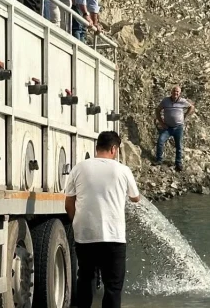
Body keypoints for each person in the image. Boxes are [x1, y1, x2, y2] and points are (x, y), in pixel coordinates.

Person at [64, 131, 140, 308]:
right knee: (113, 286)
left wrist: (77, 224)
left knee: (85, 278)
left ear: (97, 147)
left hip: (85, 235)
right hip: (114, 237)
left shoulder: (79, 168)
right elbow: (135, 198)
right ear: (114, 148)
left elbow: (69, 202)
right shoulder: (122, 170)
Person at [154, 86, 195, 171]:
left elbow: (191, 107)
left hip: (178, 128)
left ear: (180, 93)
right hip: (167, 127)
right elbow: (157, 110)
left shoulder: (182, 101)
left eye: (177, 92)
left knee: (179, 146)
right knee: (160, 141)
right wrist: (161, 122)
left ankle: (178, 163)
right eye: (174, 91)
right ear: (171, 92)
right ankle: (159, 160)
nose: (175, 93)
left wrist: (185, 115)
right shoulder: (165, 101)